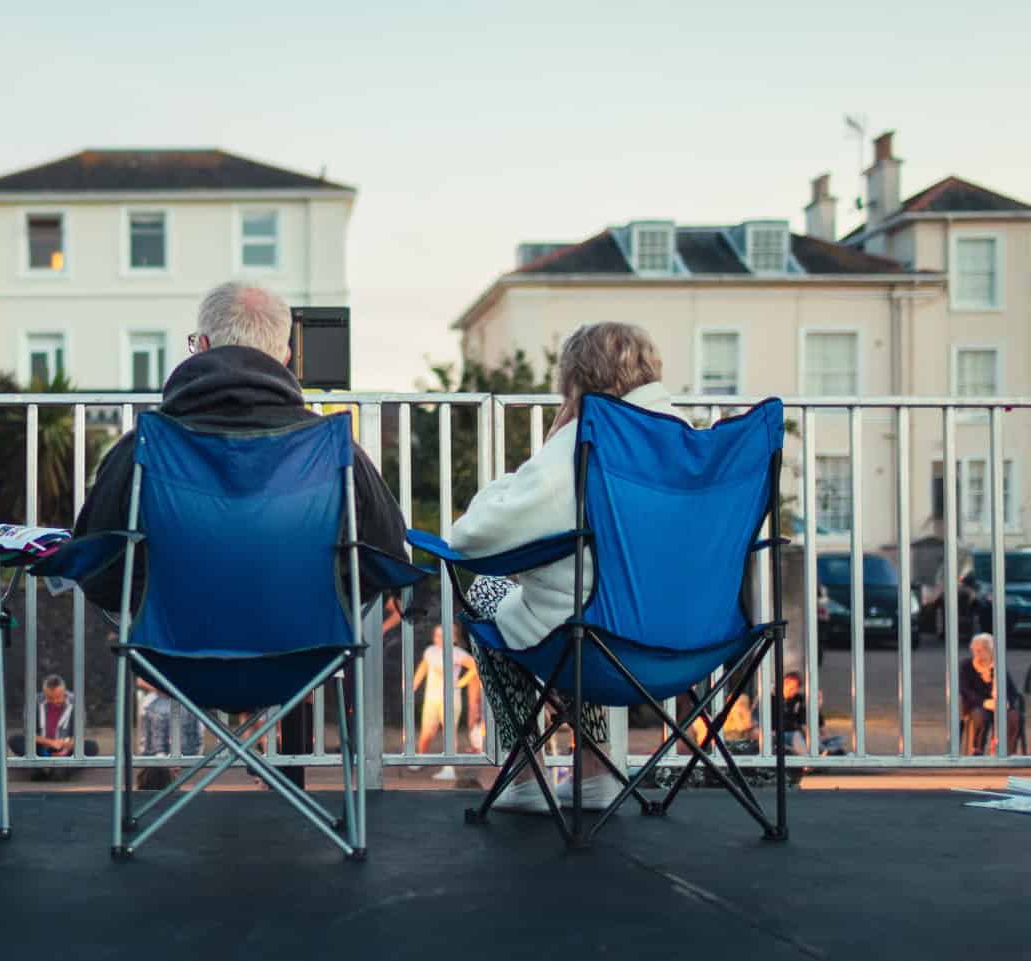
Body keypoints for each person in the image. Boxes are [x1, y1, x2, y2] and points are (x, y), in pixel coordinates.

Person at [73, 282, 411, 790]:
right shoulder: (329, 446)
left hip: (173, 659)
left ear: (202, 347)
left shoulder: (145, 445)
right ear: (287, 355)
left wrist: (145, 604)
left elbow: (95, 566)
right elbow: (387, 553)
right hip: (305, 657)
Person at [448, 322, 673, 813]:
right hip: (688, 641)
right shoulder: (688, 442)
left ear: (575, 382)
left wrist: (547, 448)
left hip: (598, 645)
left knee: (490, 593)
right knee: (584, 595)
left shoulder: (578, 448)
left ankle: (526, 774)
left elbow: (470, 536)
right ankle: (594, 771)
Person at [409, 625, 477, 780]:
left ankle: (449, 768)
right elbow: (423, 668)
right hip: (431, 698)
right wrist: (413, 684)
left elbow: (475, 667)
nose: (438, 638)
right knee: (427, 731)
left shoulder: (457, 653)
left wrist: (461, 682)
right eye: (436, 635)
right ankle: (419, 759)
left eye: (443, 635)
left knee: (449, 732)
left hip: (450, 698)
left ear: (453, 638)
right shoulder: (430, 651)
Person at [7, 675, 100, 781]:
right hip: (41, 747)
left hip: (65, 747)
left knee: (91, 747)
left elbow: (79, 733)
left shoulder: (75, 702)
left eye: (59, 696)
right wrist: (50, 743)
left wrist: (66, 748)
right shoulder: (34, 702)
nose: (55, 701)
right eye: (50, 698)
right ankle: (39, 768)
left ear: (64, 692)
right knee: (15, 740)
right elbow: (29, 733)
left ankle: (61, 768)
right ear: (45, 693)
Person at [959, 633, 1025, 756]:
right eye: (975, 649)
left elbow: (1012, 691)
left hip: (997, 704)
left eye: (982, 649)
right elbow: (964, 690)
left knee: (1014, 716)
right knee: (980, 717)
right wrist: (984, 702)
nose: (977, 652)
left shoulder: (998, 666)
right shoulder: (966, 666)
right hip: (976, 704)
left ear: (990, 651)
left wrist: (1007, 702)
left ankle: (1007, 752)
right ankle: (977, 751)